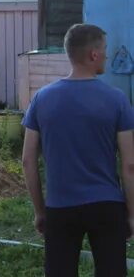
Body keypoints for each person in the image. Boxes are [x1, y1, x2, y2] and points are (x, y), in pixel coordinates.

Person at [21, 23, 134, 276]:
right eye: (104, 49)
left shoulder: (42, 98)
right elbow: (129, 165)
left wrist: (40, 211)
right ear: (94, 55)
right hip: (106, 206)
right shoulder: (117, 100)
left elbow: (28, 161)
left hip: (60, 207)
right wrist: (132, 214)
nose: (106, 54)